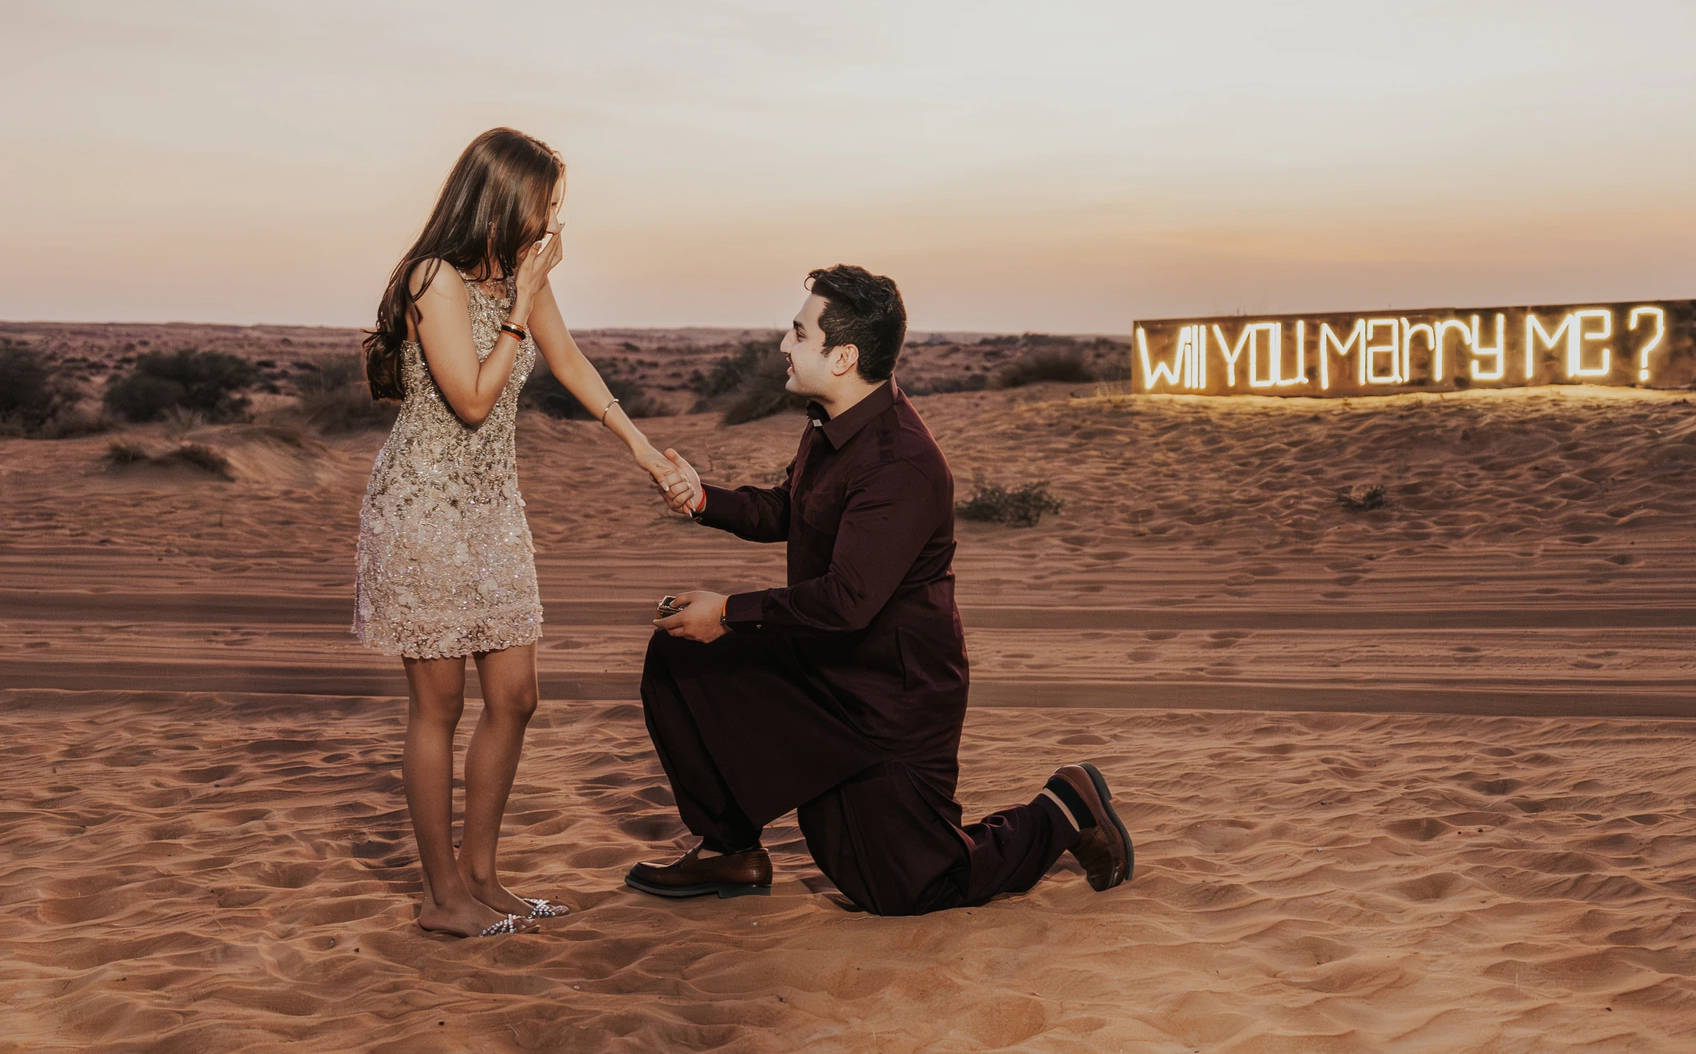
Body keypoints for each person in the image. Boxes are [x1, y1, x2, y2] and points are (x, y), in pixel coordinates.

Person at [631, 264, 1135, 916]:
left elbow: (847, 601)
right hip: (820, 666)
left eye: (798, 334)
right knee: (680, 654)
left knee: (907, 888)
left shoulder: (902, 462)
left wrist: (727, 612)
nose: (783, 344)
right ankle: (730, 850)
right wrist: (703, 499)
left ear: (843, 357)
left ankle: (1065, 807)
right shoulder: (831, 423)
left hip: (891, 701)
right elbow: (792, 508)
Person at [354, 127, 672, 938]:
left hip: (493, 510)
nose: (555, 222)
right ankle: (441, 898)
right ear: (501, 200)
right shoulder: (436, 277)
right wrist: (521, 307)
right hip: (423, 508)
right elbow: (471, 400)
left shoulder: (517, 276)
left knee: (516, 698)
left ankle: (482, 876)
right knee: (439, 705)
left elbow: (571, 364)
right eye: (545, 204)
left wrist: (641, 448)